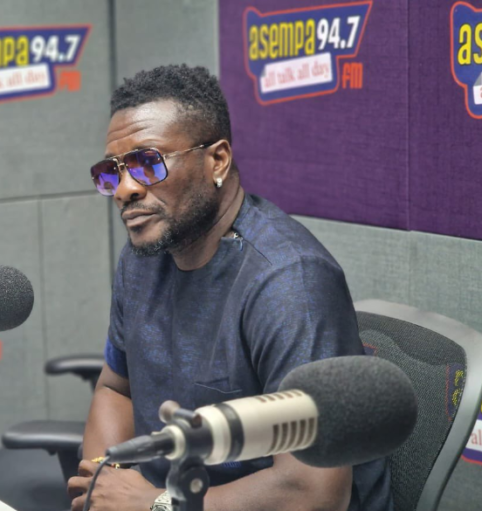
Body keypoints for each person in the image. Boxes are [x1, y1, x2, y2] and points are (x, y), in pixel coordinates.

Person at [67, 64, 392, 511]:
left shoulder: (288, 282)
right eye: (111, 172)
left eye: (146, 163)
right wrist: (105, 482)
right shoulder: (143, 257)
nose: (124, 190)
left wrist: (156, 504)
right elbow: (115, 389)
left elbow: (313, 491)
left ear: (217, 160)